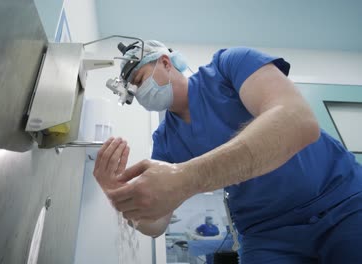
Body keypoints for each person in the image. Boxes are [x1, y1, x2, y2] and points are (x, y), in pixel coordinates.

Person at [92, 40, 362, 263]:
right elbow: (158, 223)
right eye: (133, 91)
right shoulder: (165, 140)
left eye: (140, 80)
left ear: (165, 62)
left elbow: (298, 122)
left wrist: (186, 177)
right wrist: (122, 198)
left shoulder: (228, 68)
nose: (140, 93)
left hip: (341, 202)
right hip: (265, 233)